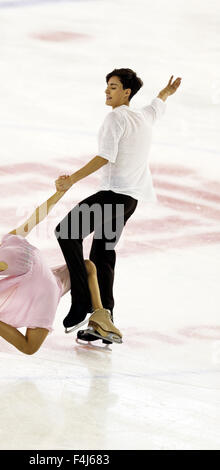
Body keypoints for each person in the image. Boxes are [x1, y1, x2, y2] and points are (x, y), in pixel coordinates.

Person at [54, 68, 182, 344]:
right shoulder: (143, 116)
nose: (107, 91)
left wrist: (72, 180)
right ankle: (104, 318)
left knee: (66, 232)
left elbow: (104, 156)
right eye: (107, 86)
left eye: (113, 87)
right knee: (103, 256)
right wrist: (165, 93)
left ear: (127, 92)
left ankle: (81, 302)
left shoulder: (116, 117)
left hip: (113, 196)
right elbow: (156, 106)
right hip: (130, 201)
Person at [0, 189, 121, 356]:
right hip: (44, 289)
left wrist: (59, 192)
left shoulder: (8, 240)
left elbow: (36, 217)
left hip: (53, 282)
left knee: (88, 266)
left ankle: (100, 314)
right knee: (29, 347)